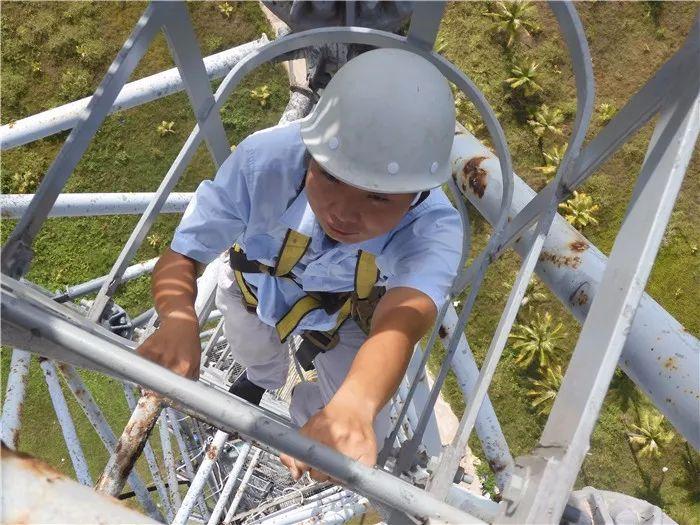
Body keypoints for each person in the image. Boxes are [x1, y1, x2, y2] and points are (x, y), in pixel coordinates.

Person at [137, 48, 462, 481]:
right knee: (254, 353)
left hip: (342, 316)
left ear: (418, 194)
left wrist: (355, 405)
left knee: (367, 429)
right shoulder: (266, 160)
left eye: (378, 196)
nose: (342, 213)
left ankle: (312, 413)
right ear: (309, 154)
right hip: (257, 292)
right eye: (329, 176)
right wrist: (177, 319)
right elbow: (185, 254)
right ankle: (262, 378)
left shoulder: (431, 226)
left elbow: (401, 322)